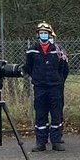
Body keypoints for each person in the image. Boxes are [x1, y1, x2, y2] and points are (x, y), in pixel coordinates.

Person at [24, 21, 68, 152]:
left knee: (56, 114)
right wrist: (37, 78)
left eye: (46, 33)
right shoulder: (32, 50)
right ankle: (40, 142)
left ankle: (56, 141)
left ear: (50, 35)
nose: (43, 35)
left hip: (55, 86)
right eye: (41, 33)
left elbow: (64, 69)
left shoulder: (58, 50)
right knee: (40, 114)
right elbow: (29, 67)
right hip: (40, 87)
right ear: (38, 35)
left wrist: (58, 81)